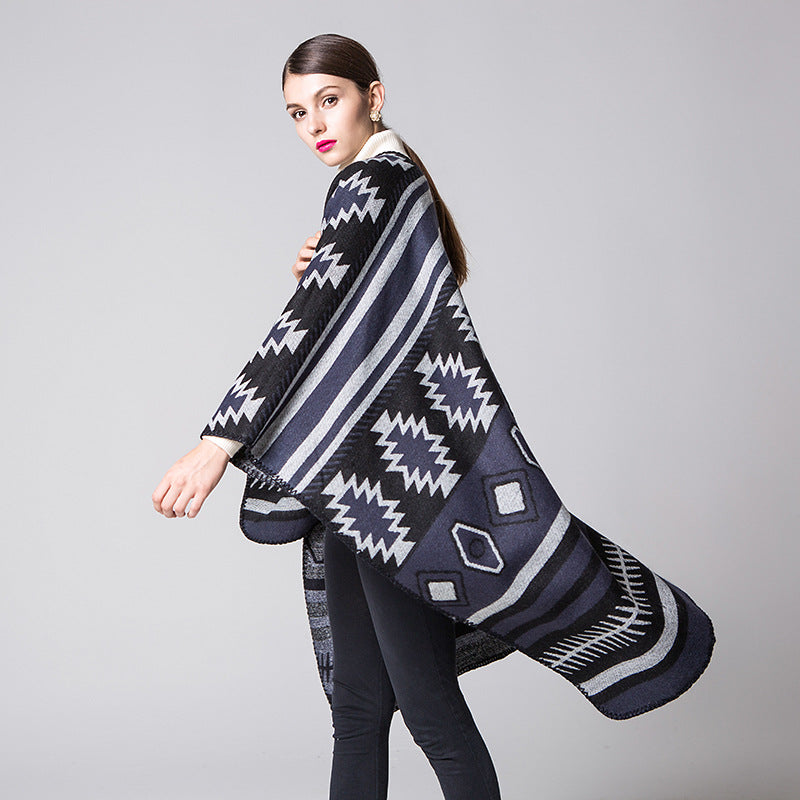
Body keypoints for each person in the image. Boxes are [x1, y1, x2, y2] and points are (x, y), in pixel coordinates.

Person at [153, 33, 505, 800]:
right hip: (359, 483)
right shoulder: (395, 181)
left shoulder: (372, 179)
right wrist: (336, 273)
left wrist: (217, 443)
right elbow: (379, 311)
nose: (314, 124)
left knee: (429, 711)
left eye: (329, 100)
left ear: (373, 97)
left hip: (388, 488)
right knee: (359, 705)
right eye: (296, 112)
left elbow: (306, 325)